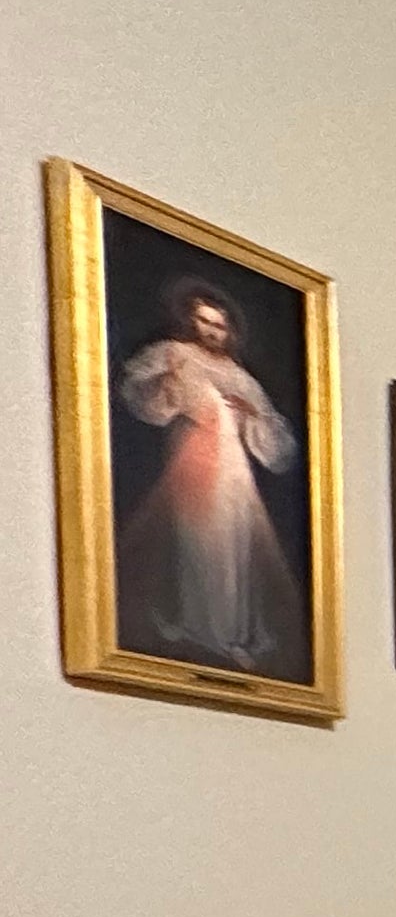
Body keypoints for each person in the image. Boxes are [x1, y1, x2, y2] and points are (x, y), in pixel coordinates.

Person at [115, 280, 302, 672]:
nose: (211, 331)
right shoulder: (174, 353)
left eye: (218, 325)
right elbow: (137, 390)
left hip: (233, 467)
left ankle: (232, 631)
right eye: (204, 321)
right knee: (197, 539)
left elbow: (272, 431)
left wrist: (250, 414)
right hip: (192, 457)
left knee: (234, 542)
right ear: (191, 321)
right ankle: (201, 626)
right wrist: (168, 383)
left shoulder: (237, 374)